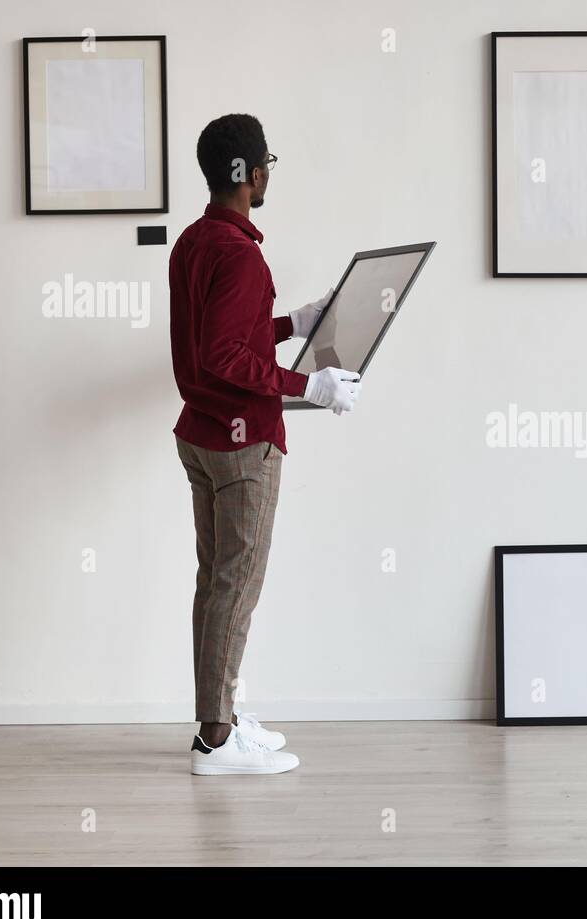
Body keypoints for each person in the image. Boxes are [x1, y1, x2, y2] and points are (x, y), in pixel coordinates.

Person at [169, 113, 358, 775]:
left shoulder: (195, 241)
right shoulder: (241, 253)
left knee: (214, 583)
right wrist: (314, 386)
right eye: (266, 163)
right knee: (236, 586)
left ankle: (216, 717)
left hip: (201, 436)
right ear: (247, 174)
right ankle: (216, 742)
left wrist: (291, 323)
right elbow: (225, 356)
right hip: (242, 445)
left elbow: (220, 337)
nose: (268, 173)